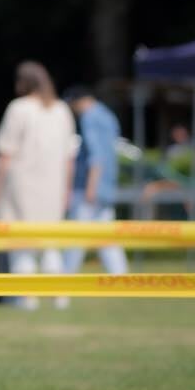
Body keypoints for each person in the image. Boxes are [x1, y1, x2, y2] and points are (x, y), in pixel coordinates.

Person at [0, 61, 77, 308]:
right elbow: (70, 158)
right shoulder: (61, 110)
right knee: (51, 245)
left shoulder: (18, 108)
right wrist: (67, 189)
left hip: (21, 185)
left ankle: (27, 298)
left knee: (21, 244)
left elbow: (6, 152)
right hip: (53, 186)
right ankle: (59, 297)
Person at [62, 87, 130, 276]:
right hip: (107, 185)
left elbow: (96, 155)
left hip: (89, 186)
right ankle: (121, 279)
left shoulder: (89, 117)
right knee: (107, 237)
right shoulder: (108, 116)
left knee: (77, 237)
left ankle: (63, 283)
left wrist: (91, 187)